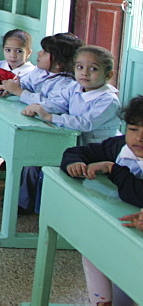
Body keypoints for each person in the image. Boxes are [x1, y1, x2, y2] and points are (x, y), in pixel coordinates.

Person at [19, 45, 122, 212]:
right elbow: (57, 103)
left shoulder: (108, 100)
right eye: (79, 67)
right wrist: (37, 107)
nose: (85, 73)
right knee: (32, 158)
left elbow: (85, 123)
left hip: (95, 152)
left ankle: (46, 210)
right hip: (71, 142)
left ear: (108, 74)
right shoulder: (74, 87)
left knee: (49, 167)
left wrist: (50, 117)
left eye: (93, 69)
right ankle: (24, 203)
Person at [61, 95, 143, 306]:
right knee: (94, 249)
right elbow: (78, 151)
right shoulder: (119, 146)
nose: (139, 138)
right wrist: (74, 163)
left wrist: (113, 169)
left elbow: (135, 193)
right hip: (120, 224)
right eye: (133, 129)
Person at [0, 33, 84, 105]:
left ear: (58, 63)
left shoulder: (66, 83)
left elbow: (51, 105)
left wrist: (19, 92)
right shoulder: (40, 70)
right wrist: (10, 88)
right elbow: (26, 84)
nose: (38, 53)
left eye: (44, 52)